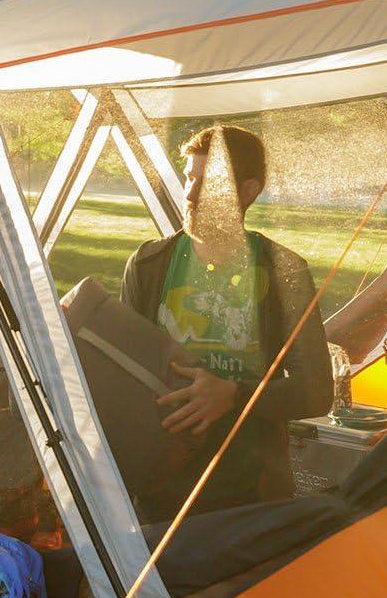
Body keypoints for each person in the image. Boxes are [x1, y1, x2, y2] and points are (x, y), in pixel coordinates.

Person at [121, 124, 333, 509]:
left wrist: (233, 395)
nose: (191, 193)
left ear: (247, 191)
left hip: (251, 492)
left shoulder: (284, 270)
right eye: (189, 177)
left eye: (209, 182)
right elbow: (123, 375)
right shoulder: (149, 265)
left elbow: (317, 391)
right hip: (159, 488)